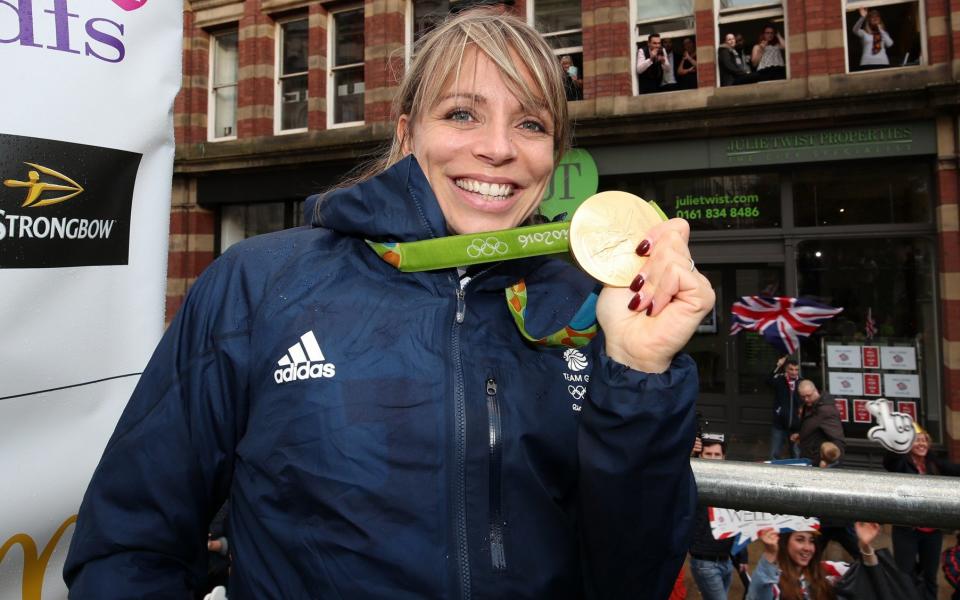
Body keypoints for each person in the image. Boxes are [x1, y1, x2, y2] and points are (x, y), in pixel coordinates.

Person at [63, 9, 715, 599]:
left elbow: (634, 578)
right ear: (407, 135)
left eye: (531, 123)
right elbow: (128, 544)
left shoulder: (587, 313)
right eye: (462, 114)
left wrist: (638, 370)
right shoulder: (261, 285)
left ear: (553, 155)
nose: (497, 147)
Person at [747, 522, 918, 600]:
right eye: (800, 539)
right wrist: (770, 553)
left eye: (811, 541)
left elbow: (873, 580)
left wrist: (865, 546)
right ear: (785, 543)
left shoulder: (828, 571)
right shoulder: (774, 580)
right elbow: (758, 593)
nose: (808, 547)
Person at [884, 427, 960, 600]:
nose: (921, 444)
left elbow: (955, 469)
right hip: (907, 529)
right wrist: (897, 443)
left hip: (931, 530)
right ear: (908, 444)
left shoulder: (933, 463)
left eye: (924, 440)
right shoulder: (901, 463)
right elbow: (889, 461)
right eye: (917, 440)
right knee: (905, 575)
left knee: (929, 577)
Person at [688, 433, 748, 600]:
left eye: (717, 455)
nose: (713, 459)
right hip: (704, 562)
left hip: (726, 560)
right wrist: (688, 455)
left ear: (724, 457)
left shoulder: (731, 484)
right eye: (708, 454)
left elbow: (738, 521)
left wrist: (742, 556)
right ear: (700, 456)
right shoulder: (692, 479)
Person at [791, 379, 845, 466]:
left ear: (815, 390)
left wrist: (828, 462)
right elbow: (813, 427)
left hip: (819, 462)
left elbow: (838, 439)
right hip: (809, 458)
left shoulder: (826, 410)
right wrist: (801, 435)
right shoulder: (810, 405)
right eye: (803, 397)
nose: (806, 399)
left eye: (809, 395)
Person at [767, 356, 800, 459]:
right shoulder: (780, 380)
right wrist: (778, 365)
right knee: (775, 453)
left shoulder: (802, 382)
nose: (794, 372)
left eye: (796, 370)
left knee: (797, 454)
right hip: (779, 425)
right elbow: (767, 381)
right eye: (791, 369)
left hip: (796, 426)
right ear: (786, 369)